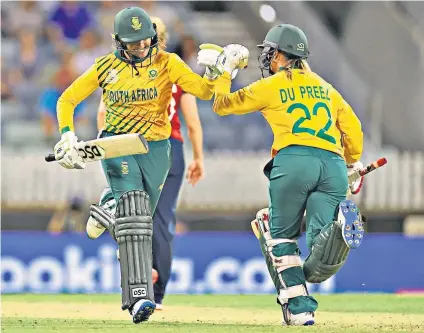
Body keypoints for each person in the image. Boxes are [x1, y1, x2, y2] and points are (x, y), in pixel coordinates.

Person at [52, 6, 228, 324]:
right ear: (118, 41)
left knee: (141, 219)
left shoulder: (168, 63)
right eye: (133, 44)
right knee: (134, 214)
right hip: (118, 144)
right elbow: (67, 100)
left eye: (145, 41)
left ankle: (107, 208)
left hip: (158, 149)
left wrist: (216, 73)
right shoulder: (105, 67)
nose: (141, 48)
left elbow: (202, 91)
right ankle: (138, 298)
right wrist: (67, 135)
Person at [197, 24, 364, 326]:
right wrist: (351, 161)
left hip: (294, 161)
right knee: (317, 252)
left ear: (279, 54)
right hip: (334, 166)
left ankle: (299, 309)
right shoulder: (327, 88)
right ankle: (339, 230)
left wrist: (224, 72)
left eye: (269, 53)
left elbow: (221, 106)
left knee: (280, 238)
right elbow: (353, 129)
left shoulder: (271, 86)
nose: (267, 59)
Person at [90, 16, 205, 310]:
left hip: (130, 146)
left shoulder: (123, 71)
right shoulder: (175, 71)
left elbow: (103, 113)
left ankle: (135, 288)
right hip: (171, 148)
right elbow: (192, 123)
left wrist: (107, 146)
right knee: (161, 220)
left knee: (131, 217)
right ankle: (157, 292)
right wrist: (199, 158)